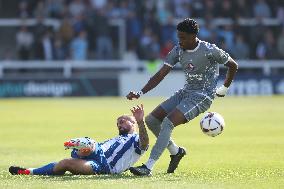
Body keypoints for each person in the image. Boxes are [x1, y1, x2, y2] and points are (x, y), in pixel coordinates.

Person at [126, 18, 238, 176]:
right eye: (179, 37)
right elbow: (161, 74)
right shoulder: (178, 50)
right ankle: (176, 151)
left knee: (167, 123)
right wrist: (140, 92)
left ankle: (148, 167)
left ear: (194, 37)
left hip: (202, 96)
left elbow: (233, 65)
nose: (180, 41)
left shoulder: (209, 50)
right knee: (151, 120)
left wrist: (225, 88)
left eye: (183, 37)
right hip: (185, 92)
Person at [9, 104, 149, 175]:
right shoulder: (115, 139)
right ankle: (28, 171)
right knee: (87, 148)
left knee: (66, 163)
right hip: (96, 153)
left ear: (133, 123)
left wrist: (141, 121)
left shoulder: (135, 139)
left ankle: (81, 145)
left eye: (123, 121)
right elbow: (98, 147)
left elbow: (145, 144)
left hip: (104, 167)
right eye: (118, 122)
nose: (119, 124)